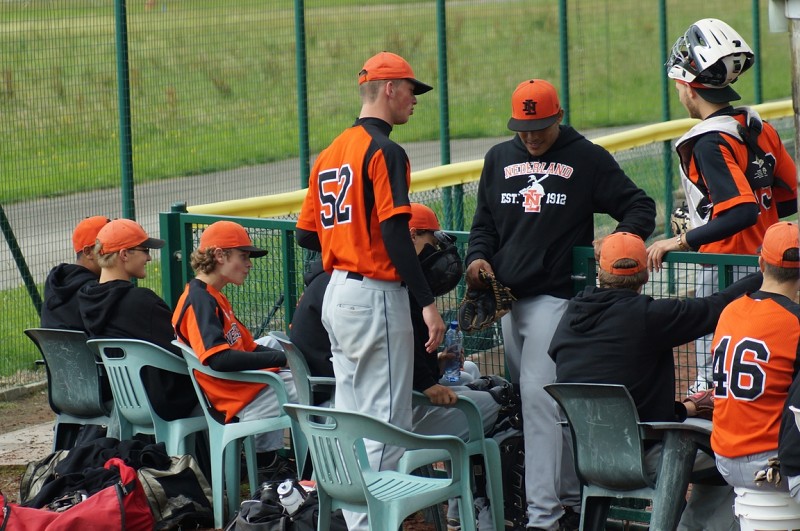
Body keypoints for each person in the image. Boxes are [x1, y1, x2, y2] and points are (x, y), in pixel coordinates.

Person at [465, 78, 656, 531]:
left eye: (540, 128)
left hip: (556, 301)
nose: (531, 137)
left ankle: (543, 518)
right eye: (524, 129)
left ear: (559, 117)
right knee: (540, 402)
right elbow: (484, 224)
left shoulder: (586, 158)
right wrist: (476, 258)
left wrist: (617, 241)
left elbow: (640, 206)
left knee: (538, 400)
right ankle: (569, 500)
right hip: (508, 303)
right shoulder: (498, 158)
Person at [294, 51, 444, 530]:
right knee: (387, 422)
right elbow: (397, 234)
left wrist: (348, 237)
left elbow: (305, 234)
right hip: (376, 295)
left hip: (337, 294)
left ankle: (350, 518)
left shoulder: (331, 151)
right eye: (411, 91)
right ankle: (369, 525)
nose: (415, 100)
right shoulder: (385, 151)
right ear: (389, 89)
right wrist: (427, 303)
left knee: (352, 414)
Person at [291, 203, 503, 530]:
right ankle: (481, 513)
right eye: (430, 242)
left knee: (469, 382)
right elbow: (408, 381)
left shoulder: (331, 282)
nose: (434, 252)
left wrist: (430, 371)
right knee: (498, 401)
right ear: (410, 236)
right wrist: (429, 379)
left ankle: (455, 511)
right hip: (363, 418)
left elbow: (305, 234)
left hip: (329, 412)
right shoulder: (388, 288)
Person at [549, 231, 762, 529]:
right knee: (738, 457)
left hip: (587, 457)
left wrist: (684, 409)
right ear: (646, 275)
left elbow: (601, 379)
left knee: (714, 462)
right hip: (646, 457)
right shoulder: (649, 317)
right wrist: (766, 272)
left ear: (600, 272)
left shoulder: (571, 315)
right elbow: (716, 306)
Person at [646, 18, 797, 395]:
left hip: (725, 270)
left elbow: (741, 211)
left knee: (715, 375)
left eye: (678, 85)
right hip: (769, 267)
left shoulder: (710, 140)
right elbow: (788, 197)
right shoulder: (758, 126)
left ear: (688, 88)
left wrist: (682, 240)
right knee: (768, 363)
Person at [172, 220, 297, 480]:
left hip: (242, 389)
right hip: (236, 399)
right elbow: (218, 359)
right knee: (315, 388)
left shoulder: (212, 295)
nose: (249, 264)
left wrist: (285, 358)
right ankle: (279, 465)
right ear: (220, 255)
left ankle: (268, 462)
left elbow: (248, 348)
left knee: (281, 349)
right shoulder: (200, 300)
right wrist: (283, 360)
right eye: (243, 256)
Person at [711, 222, 800, 500]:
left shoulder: (730, 311)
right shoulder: (794, 321)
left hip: (723, 460)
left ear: (760, 263)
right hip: (772, 464)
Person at [78, 218, 198, 422]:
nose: (149, 258)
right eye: (145, 250)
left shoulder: (87, 299)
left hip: (124, 401)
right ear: (124, 254)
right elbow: (183, 348)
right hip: (166, 402)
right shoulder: (141, 302)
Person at [41, 215, 110, 330]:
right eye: (109, 246)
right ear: (88, 252)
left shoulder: (57, 281)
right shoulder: (94, 292)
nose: (116, 252)